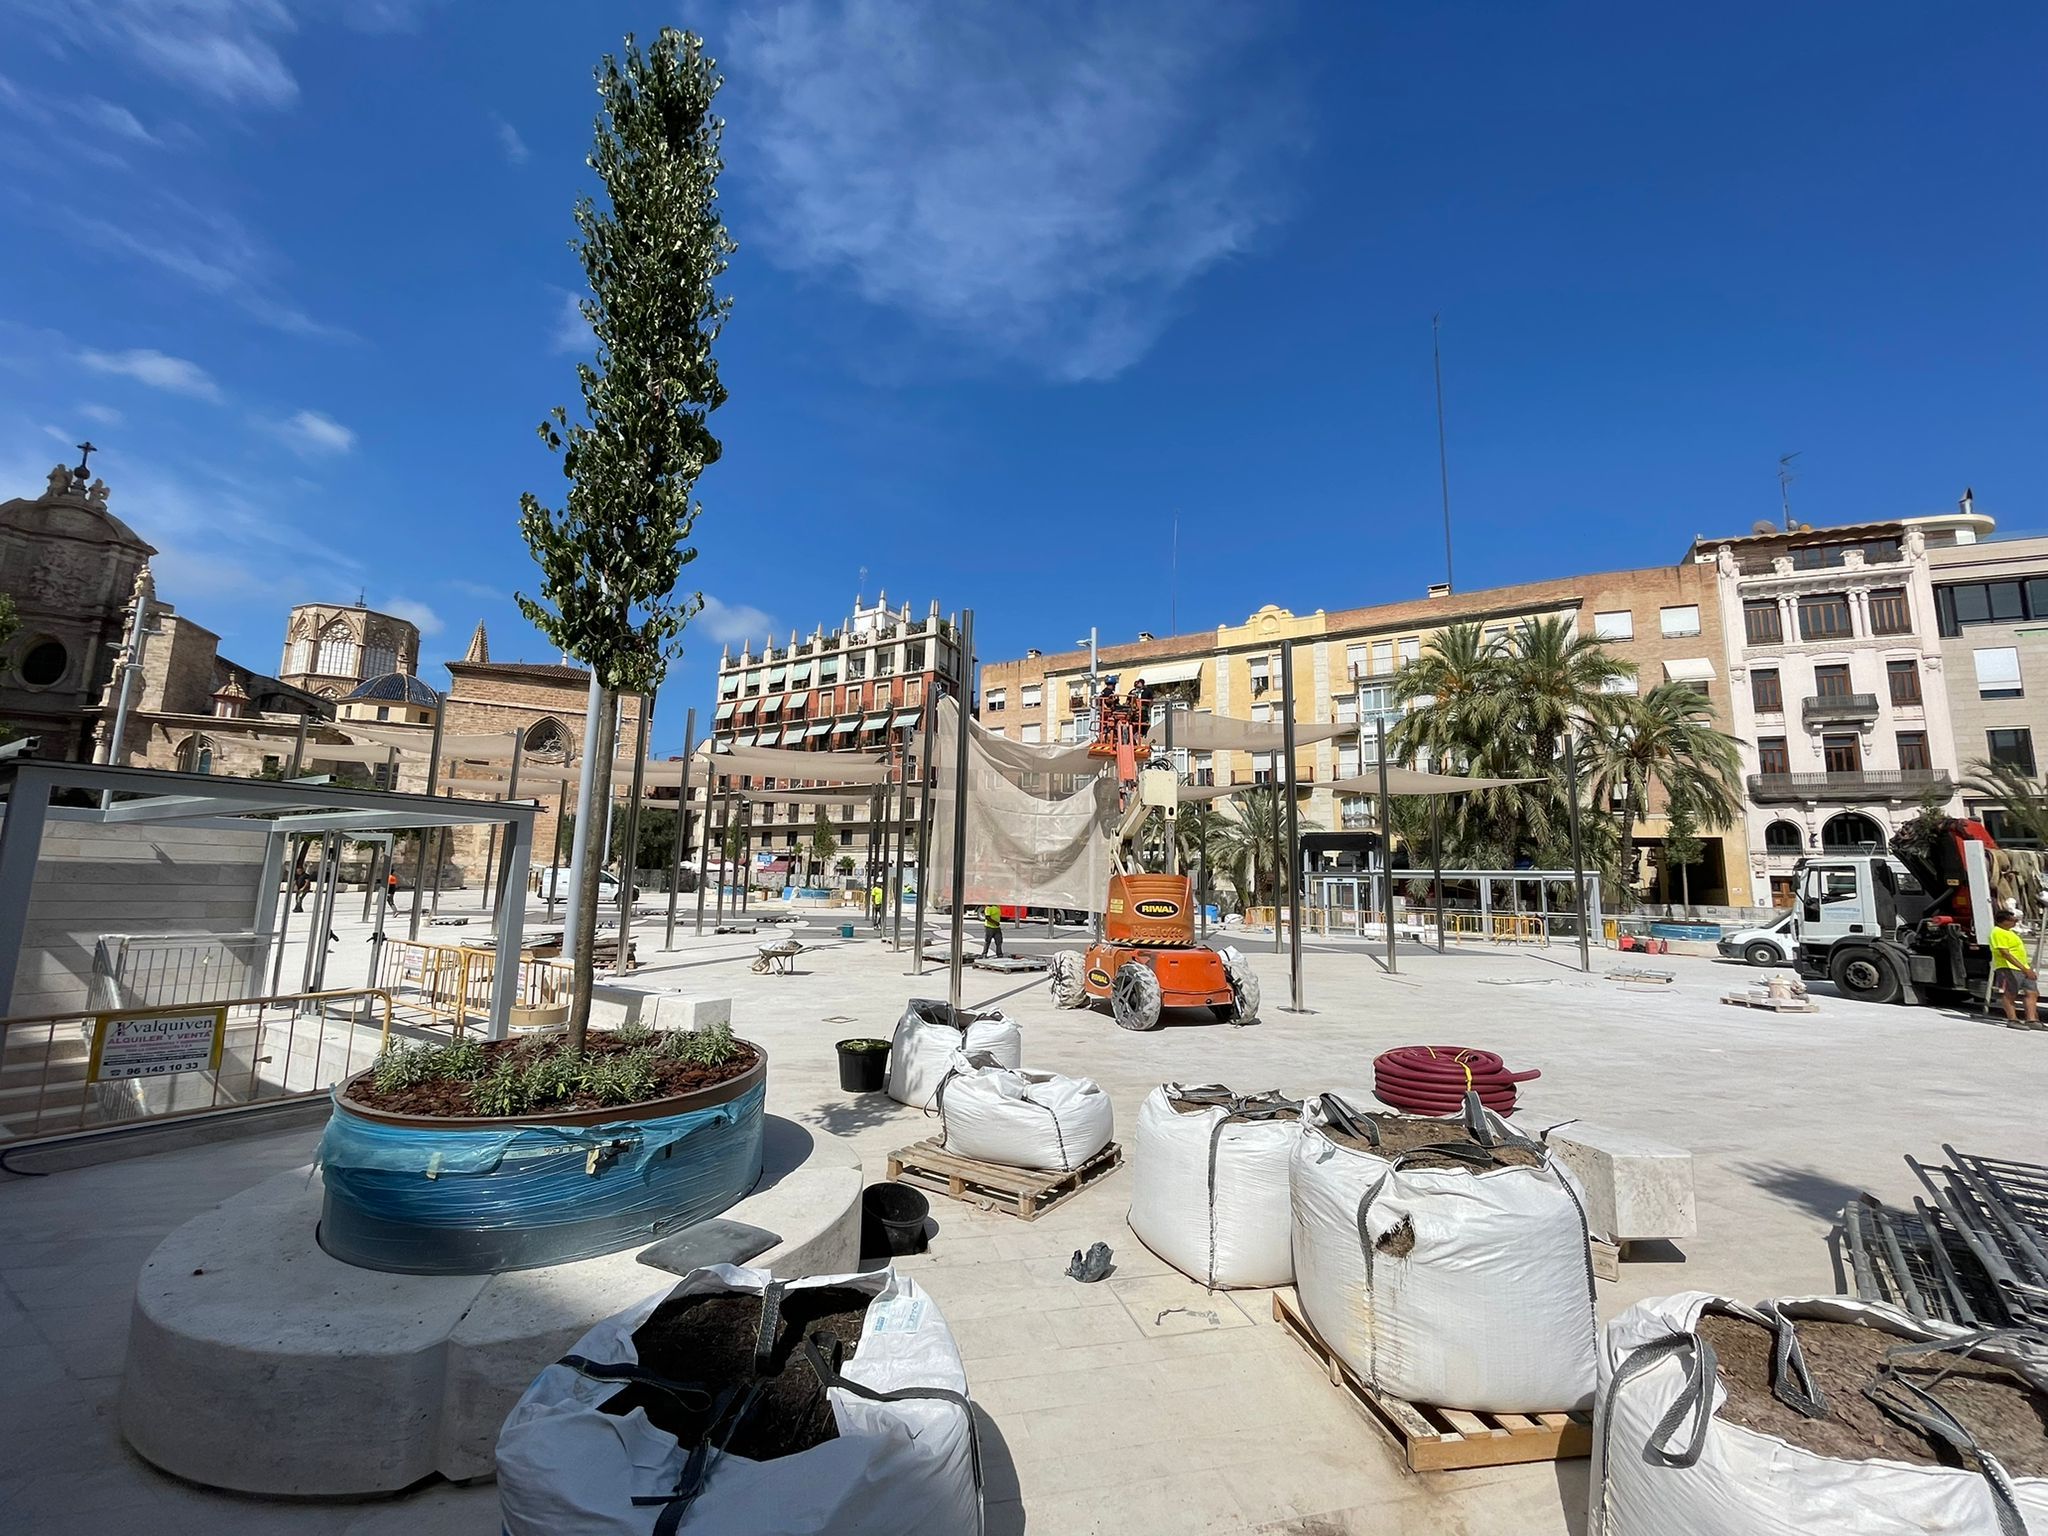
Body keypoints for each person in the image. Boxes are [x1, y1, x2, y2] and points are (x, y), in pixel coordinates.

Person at [1989, 907, 2040, 1027]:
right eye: (2012, 920)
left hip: (2022, 967)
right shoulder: (1998, 932)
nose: (2015, 922)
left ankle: (2032, 1020)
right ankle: (2012, 1019)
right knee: (2011, 992)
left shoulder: (2010, 933)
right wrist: (2024, 969)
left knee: (2032, 992)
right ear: (2003, 921)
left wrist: (2027, 968)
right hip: (2008, 967)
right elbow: (2005, 953)